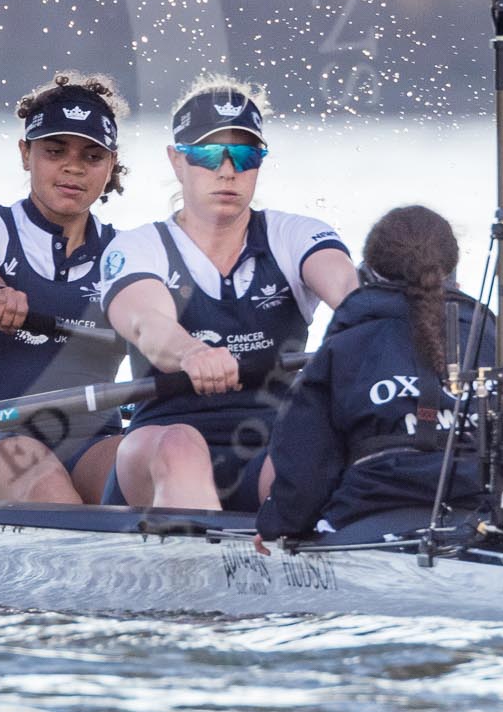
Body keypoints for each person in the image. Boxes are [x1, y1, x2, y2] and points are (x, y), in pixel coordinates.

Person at [97, 79, 358, 512]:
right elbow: (147, 323)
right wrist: (191, 353)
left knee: (323, 452)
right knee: (181, 447)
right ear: (177, 161)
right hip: (159, 443)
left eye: (244, 154)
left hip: (269, 446)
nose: (227, 170)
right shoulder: (138, 247)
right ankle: (201, 569)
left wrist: (387, 322)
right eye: (206, 153)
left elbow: (351, 296)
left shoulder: (295, 235)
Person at [0, 72, 132, 502]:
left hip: (95, 440)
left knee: (145, 463)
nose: (73, 167)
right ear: (26, 154)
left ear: (111, 164)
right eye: (55, 151)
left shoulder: (129, 252)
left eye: (92, 155)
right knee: (44, 481)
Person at [253, 205, 499, 543]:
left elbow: (305, 472)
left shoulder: (341, 351)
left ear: (366, 276)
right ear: (454, 278)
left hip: (367, 522)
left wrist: (275, 526)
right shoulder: (499, 350)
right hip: (486, 524)